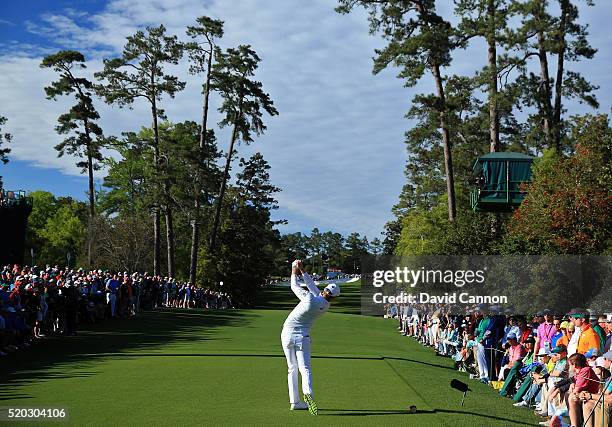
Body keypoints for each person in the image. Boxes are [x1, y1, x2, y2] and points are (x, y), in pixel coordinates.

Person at [281, 260, 340, 415]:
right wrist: (303, 271)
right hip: (303, 337)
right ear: (333, 297)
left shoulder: (309, 298)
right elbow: (313, 288)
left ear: (325, 290)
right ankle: (308, 393)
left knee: (291, 369)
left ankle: (295, 402)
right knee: (305, 368)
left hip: (287, 334)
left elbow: (295, 286)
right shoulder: (325, 306)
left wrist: (295, 271)